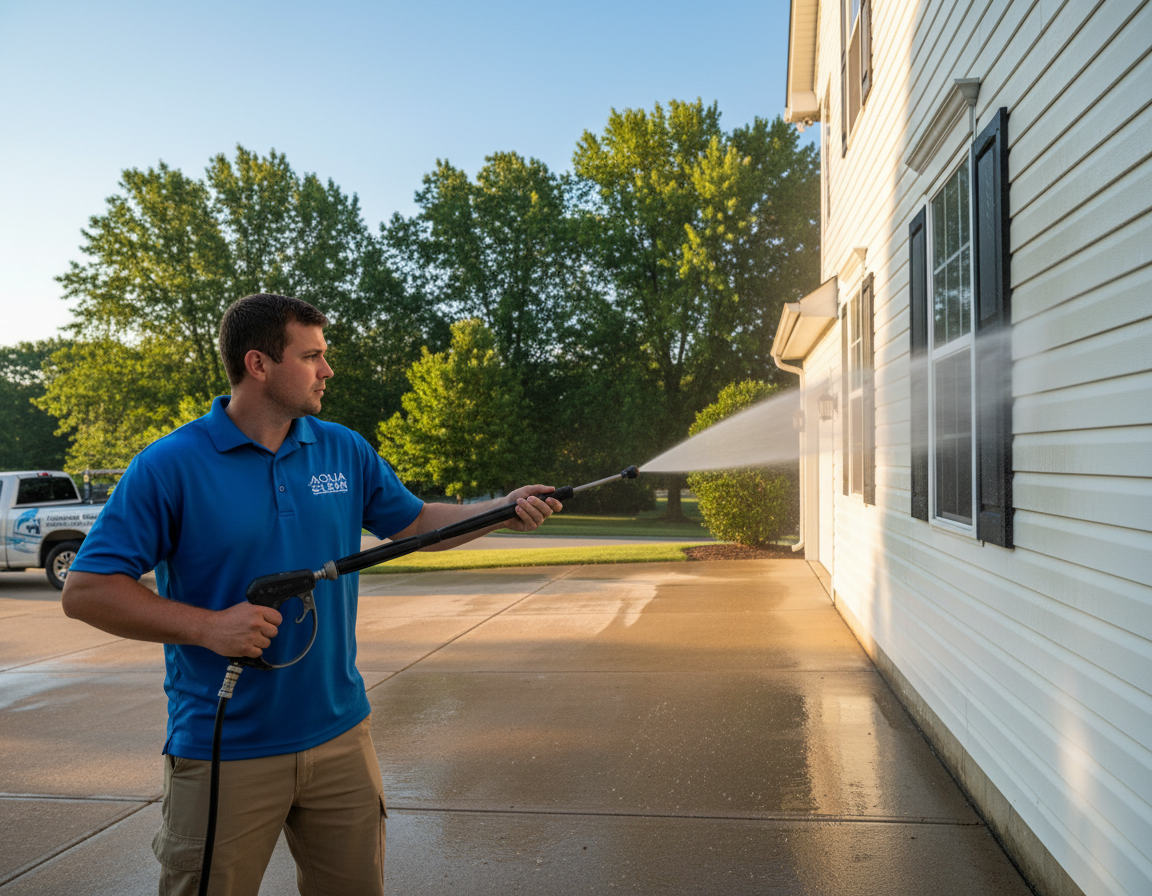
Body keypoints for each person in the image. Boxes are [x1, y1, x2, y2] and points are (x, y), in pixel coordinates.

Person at [61, 293, 562, 896]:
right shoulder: (170, 465)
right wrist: (208, 627)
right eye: (313, 355)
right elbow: (86, 590)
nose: (328, 370)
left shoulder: (342, 449)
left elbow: (417, 523)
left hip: (340, 736)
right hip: (225, 747)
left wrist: (499, 511)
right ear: (259, 364)